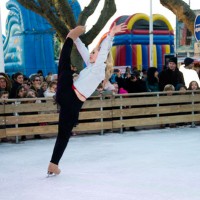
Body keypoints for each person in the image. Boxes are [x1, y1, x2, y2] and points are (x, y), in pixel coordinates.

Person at [47, 23, 127, 175]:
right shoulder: (91, 66)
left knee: (64, 134)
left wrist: (110, 36)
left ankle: (53, 164)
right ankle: (70, 37)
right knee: (64, 68)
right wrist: (76, 39)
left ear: (102, 57)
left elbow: (103, 52)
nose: (91, 54)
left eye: (94, 52)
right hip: (68, 93)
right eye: (92, 52)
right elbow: (84, 50)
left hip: (74, 105)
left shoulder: (98, 70)